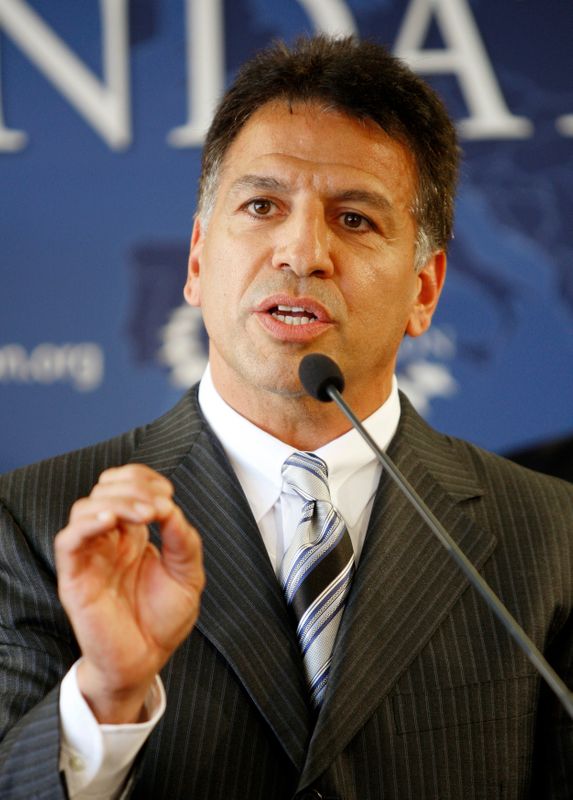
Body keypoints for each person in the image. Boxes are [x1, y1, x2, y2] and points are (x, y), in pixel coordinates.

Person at [0, 35, 571, 800]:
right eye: (262, 205)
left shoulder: (553, 535)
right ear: (198, 260)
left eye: (356, 219)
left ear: (425, 291)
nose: (301, 251)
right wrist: (106, 696)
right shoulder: (35, 522)